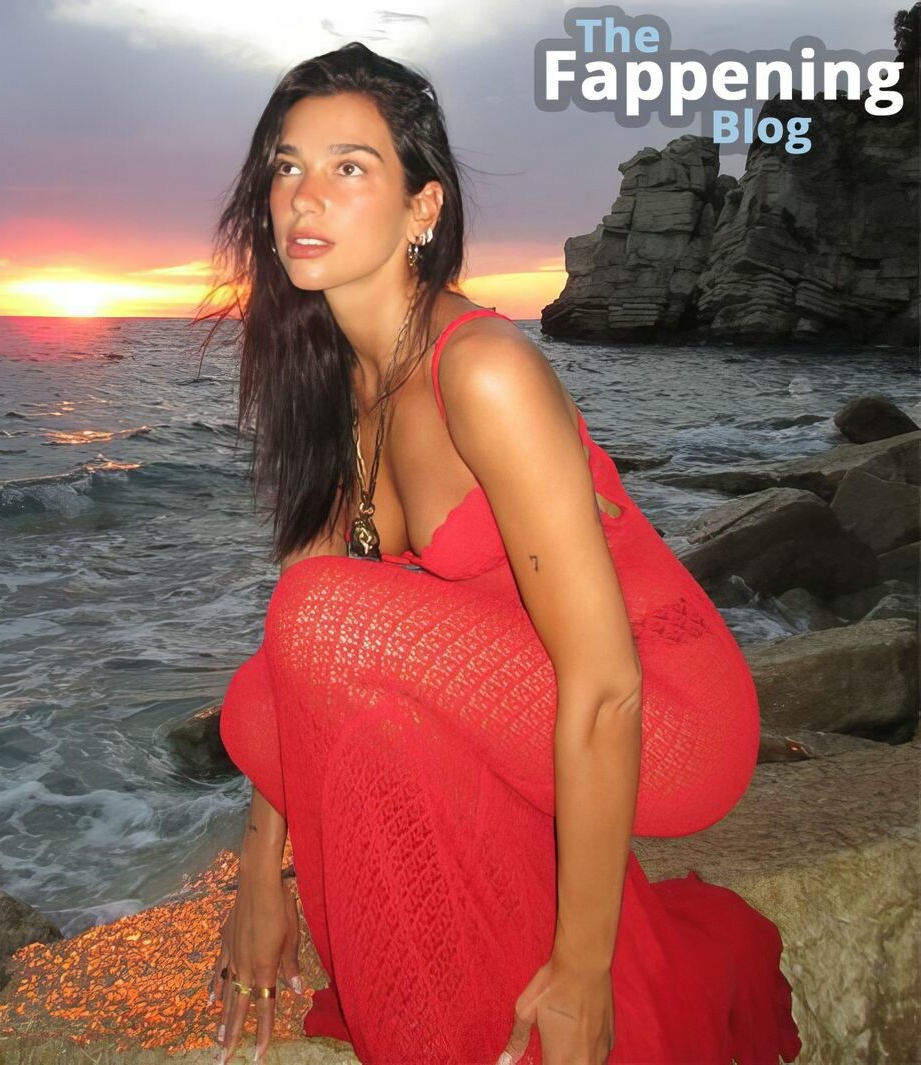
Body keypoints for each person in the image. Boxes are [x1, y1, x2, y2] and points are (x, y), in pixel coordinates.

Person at [203, 43, 801, 1064]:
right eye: (287, 166)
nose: (305, 195)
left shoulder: (484, 371)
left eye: (349, 166)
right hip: (522, 685)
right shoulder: (334, 385)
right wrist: (260, 879)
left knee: (314, 615)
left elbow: (606, 682)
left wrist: (583, 971)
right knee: (264, 685)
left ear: (422, 207)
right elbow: (297, 670)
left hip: (659, 707)